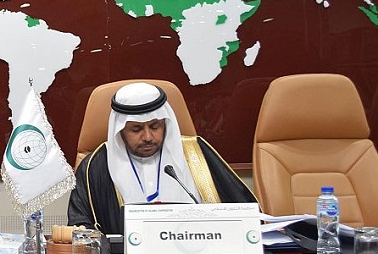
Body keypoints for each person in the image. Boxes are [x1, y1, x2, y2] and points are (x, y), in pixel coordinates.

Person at [68, 82, 255, 234]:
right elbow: (79, 230)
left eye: (155, 126)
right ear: (120, 129)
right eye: (136, 129)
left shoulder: (195, 152)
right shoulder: (96, 165)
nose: (148, 137)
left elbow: (247, 214)